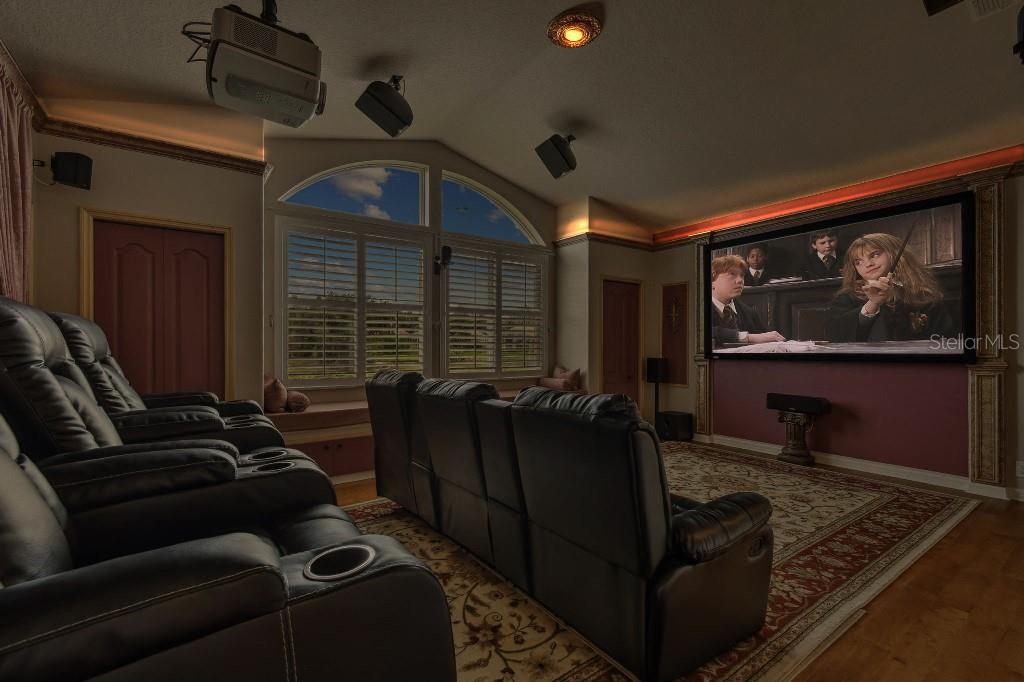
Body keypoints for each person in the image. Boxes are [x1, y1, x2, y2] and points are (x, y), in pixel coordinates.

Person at [824, 232, 957, 342]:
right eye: (858, 262)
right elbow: (834, 335)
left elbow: (945, 339)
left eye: (875, 255)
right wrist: (872, 304)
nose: (868, 264)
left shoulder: (922, 294)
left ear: (895, 254)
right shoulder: (847, 297)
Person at [710, 255, 786, 347]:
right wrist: (747, 337)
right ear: (712, 282)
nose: (740, 280)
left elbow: (767, 337)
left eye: (742, 275)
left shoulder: (748, 312)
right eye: (732, 274)